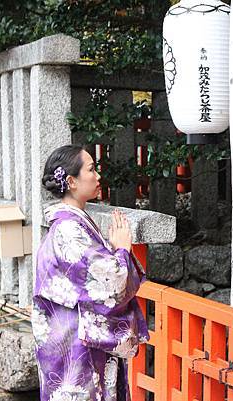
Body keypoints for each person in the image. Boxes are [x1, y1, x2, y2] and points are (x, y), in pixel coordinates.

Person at [32, 144, 149, 401]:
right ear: (72, 181)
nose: (98, 176)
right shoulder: (68, 231)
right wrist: (121, 251)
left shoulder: (72, 224)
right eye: (92, 169)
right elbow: (110, 282)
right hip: (74, 346)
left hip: (73, 339)